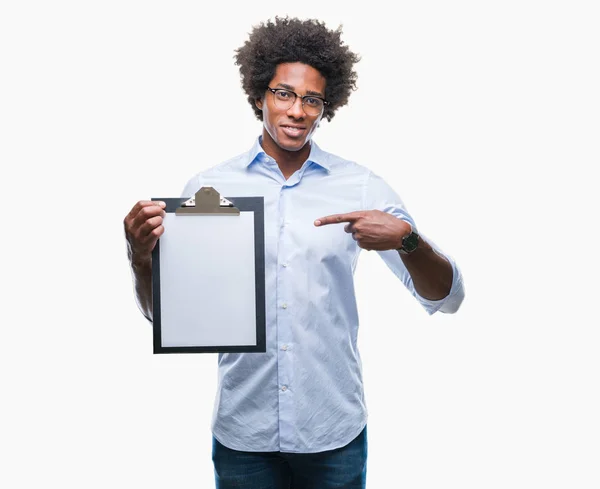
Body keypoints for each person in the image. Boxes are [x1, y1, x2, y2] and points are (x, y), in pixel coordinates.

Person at [124, 16, 465, 489]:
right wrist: (141, 257)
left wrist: (407, 239)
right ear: (259, 95)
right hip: (244, 432)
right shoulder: (209, 189)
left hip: (333, 432)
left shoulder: (361, 186)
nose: (297, 110)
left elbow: (447, 297)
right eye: (284, 93)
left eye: (312, 99)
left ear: (326, 107)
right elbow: (165, 317)